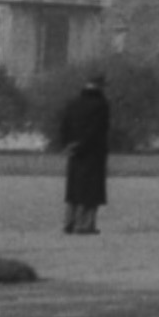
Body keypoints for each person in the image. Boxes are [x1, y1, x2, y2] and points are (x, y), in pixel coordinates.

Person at [55, 73, 113, 235]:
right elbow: (97, 130)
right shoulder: (101, 105)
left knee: (74, 188)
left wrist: (68, 145)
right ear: (100, 86)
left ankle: (69, 222)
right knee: (90, 190)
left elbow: (64, 125)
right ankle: (85, 224)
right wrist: (82, 144)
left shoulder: (73, 103)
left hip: (74, 152)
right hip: (93, 152)